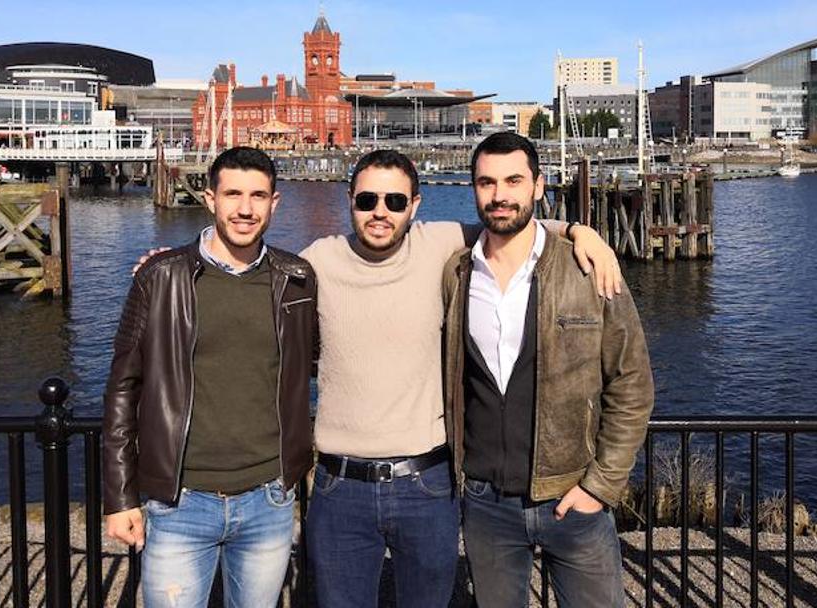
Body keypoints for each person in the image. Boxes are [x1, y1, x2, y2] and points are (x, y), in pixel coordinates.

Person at [131, 147, 622, 608]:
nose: (380, 211)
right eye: (367, 200)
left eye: (394, 200)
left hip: (426, 484)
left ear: (415, 205)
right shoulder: (315, 263)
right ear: (351, 202)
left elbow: (510, 223)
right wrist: (170, 266)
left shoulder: (441, 245)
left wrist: (580, 230)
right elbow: (246, 273)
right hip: (338, 486)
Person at [441, 132, 654, 607]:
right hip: (485, 503)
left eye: (514, 180)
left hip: (572, 500)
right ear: (473, 189)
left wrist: (600, 487)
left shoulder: (589, 270)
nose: (500, 195)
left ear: (539, 186)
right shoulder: (455, 274)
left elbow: (632, 384)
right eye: (486, 182)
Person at [103, 146, 318, 607]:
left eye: (259, 196)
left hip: (269, 497)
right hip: (180, 498)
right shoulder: (161, 277)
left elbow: (312, 363)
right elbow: (123, 388)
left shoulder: (297, 278)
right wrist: (120, 498)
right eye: (233, 194)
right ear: (209, 198)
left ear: (274, 203)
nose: (245, 209)